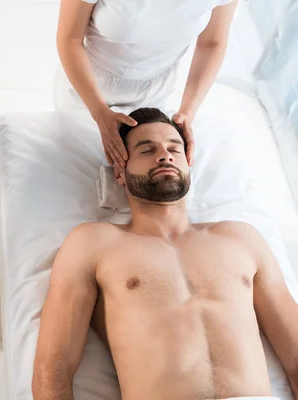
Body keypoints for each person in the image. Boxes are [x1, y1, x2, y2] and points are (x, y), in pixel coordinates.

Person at [32, 108, 298, 400]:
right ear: (119, 171)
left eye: (175, 148)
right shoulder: (93, 243)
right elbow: (54, 368)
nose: (165, 155)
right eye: (147, 149)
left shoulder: (241, 238)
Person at [54, 0, 238, 169]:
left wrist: (188, 112)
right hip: (89, 84)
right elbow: (70, 40)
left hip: (156, 89)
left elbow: (212, 43)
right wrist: (99, 112)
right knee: (76, 161)